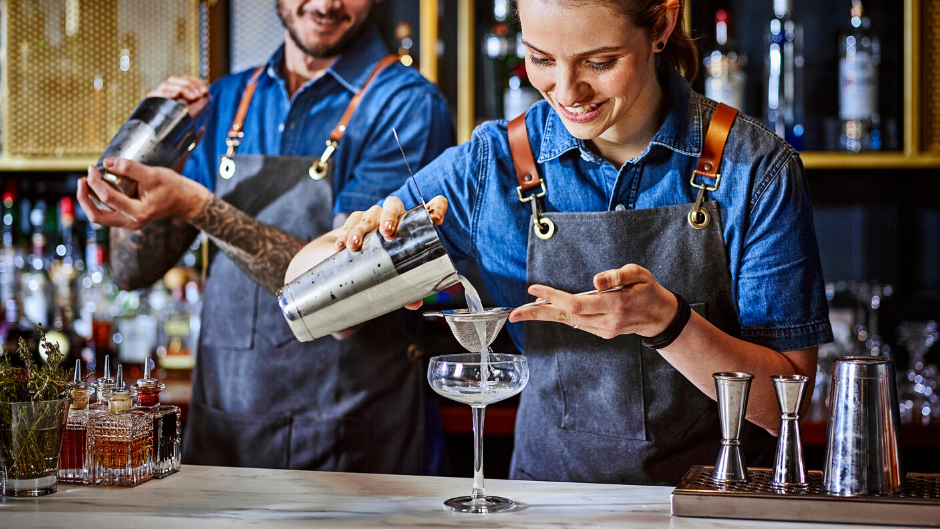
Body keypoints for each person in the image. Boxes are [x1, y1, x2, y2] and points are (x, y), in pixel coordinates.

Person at [287, 0, 833, 486]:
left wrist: (668, 322)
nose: (567, 93)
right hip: (547, 502)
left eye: (599, 62)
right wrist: (361, 248)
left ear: (663, 24)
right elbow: (306, 293)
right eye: (541, 59)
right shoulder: (490, 166)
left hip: (714, 503)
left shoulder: (754, 169)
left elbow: (785, 404)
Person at [76, 0, 455, 474]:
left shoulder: (406, 105)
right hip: (227, 431)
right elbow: (131, 272)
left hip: (350, 439)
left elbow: (347, 300)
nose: (325, 4)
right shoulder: (228, 99)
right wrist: (149, 153)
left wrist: (197, 204)